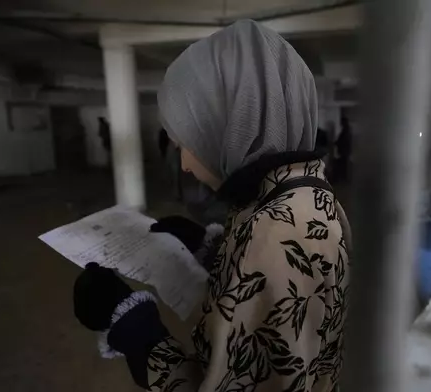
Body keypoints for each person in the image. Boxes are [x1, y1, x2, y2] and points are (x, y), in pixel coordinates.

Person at [73, 20, 351, 392]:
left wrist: (137, 330)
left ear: (230, 128)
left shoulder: (274, 235)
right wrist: (214, 248)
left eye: (188, 142)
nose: (185, 164)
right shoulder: (304, 193)